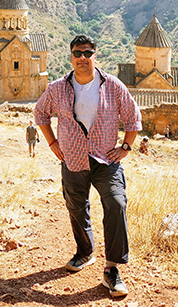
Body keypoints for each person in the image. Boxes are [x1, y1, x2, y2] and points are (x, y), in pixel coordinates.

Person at [34, 34, 142, 298]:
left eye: (87, 52)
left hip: (106, 160)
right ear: (71, 57)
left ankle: (112, 269)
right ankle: (85, 253)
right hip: (72, 159)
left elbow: (133, 117)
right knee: (75, 206)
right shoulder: (58, 88)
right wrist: (52, 142)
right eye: (77, 53)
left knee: (116, 204)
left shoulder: (113, 85)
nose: (82, 58)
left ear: (95, 55)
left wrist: (125, 147)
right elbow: (40, 113)